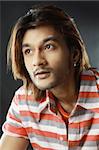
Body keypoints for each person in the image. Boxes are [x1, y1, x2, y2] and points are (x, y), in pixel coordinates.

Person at [0, 4, 99, 150]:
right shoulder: (24, 100)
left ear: (74, 54)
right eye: (28, 51)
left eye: (48, 47)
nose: (37, 61)